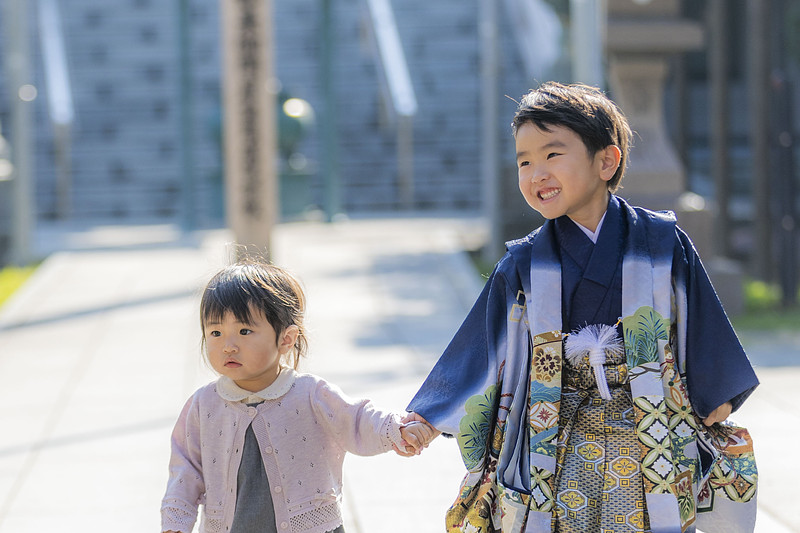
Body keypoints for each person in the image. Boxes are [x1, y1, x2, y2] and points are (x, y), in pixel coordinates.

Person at [405, 82, 759, 533]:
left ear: (606, 161)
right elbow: (482, 347)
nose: (537, 173)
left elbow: (704, 324)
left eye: (553, 155)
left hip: (651, 435)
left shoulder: (661, 244)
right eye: (524, 162)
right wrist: (431, 417)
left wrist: (717, 393)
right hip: (556, 441)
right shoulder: (523, 263)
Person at [161, 260, 432, 533]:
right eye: (215, 332)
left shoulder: (309, 394)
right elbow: (185, 469)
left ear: (286, 339)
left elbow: (357, 418)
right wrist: (176, 522)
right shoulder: (204, 405)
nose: (228, 346)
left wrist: (397, 429)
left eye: (244, 331)